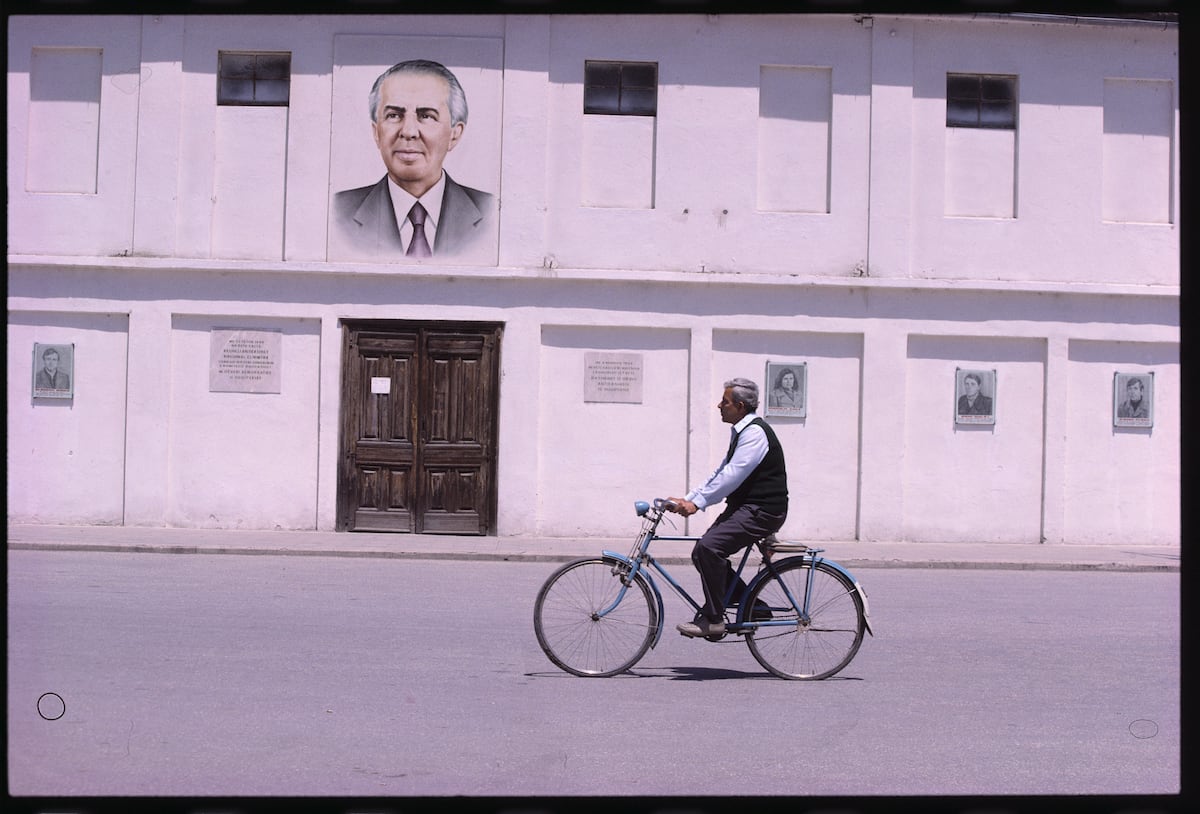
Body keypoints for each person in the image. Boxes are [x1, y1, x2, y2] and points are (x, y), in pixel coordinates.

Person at [333, 59, 495, 258]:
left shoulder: (492, 213)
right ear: (376, 132)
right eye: (394, 115)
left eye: (426, 116)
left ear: (455, 134)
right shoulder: (336, 213)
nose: (408, 132)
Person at [666, 378, 789, 638]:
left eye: (725, 402)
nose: (719, 406)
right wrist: (688, 498)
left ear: (740, 406)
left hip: (762, 510)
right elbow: (721, 471)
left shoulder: (755, 433)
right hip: (747, 507)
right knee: (703, 553)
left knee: (709, 549)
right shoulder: (743, 431)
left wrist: (697, 504)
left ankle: (713, 618)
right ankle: (754, 607)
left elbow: (733, 475)